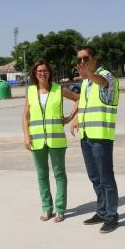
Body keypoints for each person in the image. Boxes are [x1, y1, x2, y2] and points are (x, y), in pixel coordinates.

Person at [70, 46, 120, 233]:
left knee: (106, 178)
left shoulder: (106, 76)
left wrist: (89, 75)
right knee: (95, 177)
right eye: (80, 59)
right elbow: (84, 104)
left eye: (86, 58)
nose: (82, 62)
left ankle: (112, 216)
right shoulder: (86, 83)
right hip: (86, 136)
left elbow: (104, 83)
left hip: (101, 136)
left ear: (94, 58)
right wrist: (76, 118)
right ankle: (101, 211)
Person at [22, 59, 79, 223]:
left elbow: (79, 99)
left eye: (45, 70)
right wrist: (26, 136)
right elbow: (25, 116)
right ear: (34, 73)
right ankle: (47, 209)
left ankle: (60, 209)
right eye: (39, 71)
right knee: (42, 175)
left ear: (49, 73)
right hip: (37, 140)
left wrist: (69, 118)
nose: (42, 73)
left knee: (59, 174)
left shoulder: (58, 89)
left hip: (56, 140)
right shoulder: (31, 91)